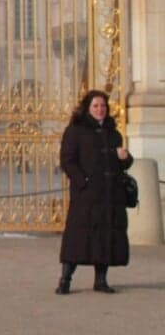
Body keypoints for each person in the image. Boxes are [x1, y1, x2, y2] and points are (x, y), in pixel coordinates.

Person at [56, 89, 133, 294]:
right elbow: (67, 160)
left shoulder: (113, 133)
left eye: (103, 106)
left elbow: (123, 164)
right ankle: (65, 279)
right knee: (78, 237)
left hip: (109, 195)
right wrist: (83, 181)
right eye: (96, 106)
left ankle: (101, 280)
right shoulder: (75, 130)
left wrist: (125, 158)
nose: (100, 109)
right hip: (87, 195)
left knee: (106, 236)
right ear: (87, 108)